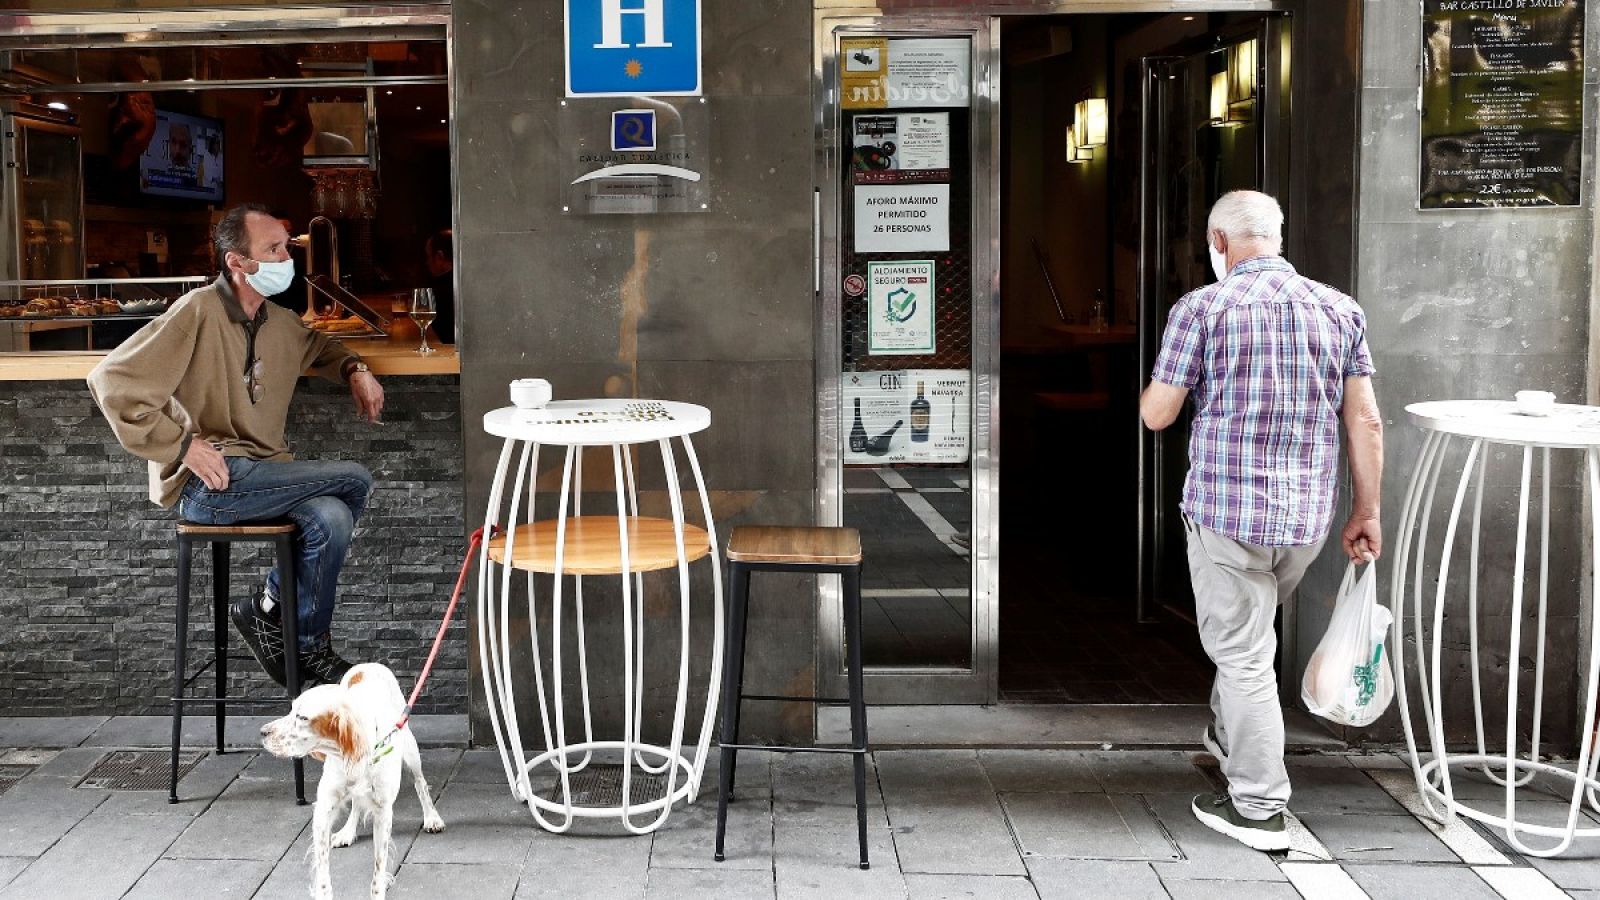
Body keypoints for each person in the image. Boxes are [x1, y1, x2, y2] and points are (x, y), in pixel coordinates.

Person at [1139, 190, 1383, 852]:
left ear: (1219, 243)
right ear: (1276, 239)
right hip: (1304, 517)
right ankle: (1227, 736)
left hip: (1226, 513)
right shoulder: (1339, 310)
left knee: (1243, 654)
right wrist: (1367, 509)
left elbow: (1157, 414)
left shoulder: (1203, 309)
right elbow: (1362, 418)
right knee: (1248, 635)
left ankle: (1258, 804)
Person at [88, 202, 386, 689]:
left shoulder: (277, 320)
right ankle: (291, 633)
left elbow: (320, 346)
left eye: (285, 247)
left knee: (332, 516)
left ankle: (272, 615)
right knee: (354, 479)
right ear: (237, 262)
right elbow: (111, 380)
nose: (285, 258)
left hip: (261, 476)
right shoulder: (197, 311)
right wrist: (182, 446)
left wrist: (355, 369)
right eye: (272, 249)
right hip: (211, 484)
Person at [424, 228, 457, 345]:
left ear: (439, 257)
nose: (427, 262)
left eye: (428, 256)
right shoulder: (469, 281)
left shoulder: (441, 292)